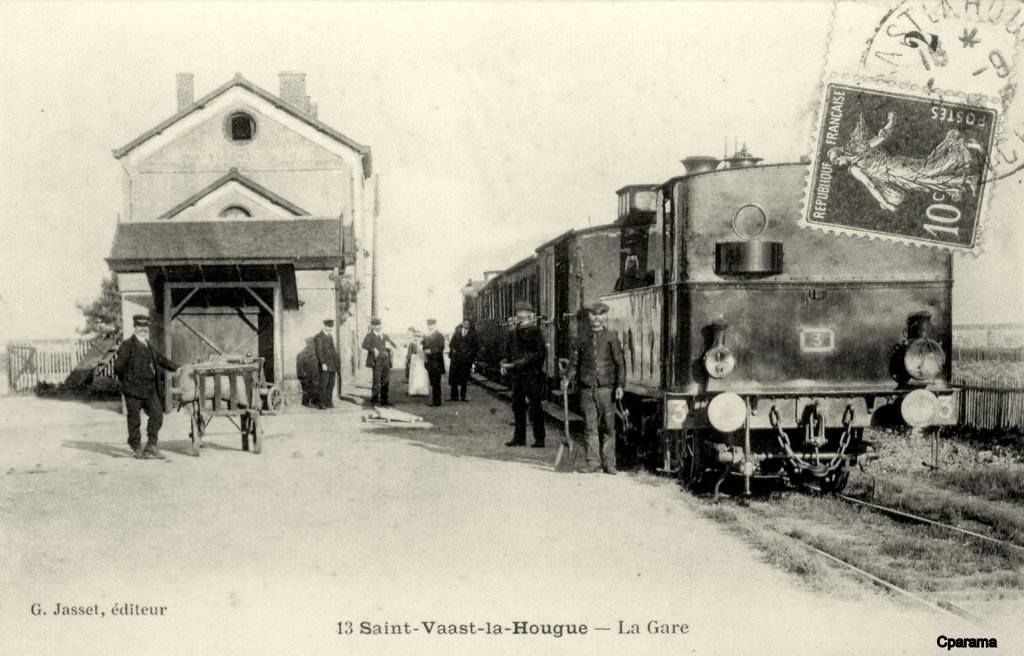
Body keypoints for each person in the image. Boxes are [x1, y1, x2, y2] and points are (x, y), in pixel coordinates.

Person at [562, 302, 625, 474]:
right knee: (590, 426)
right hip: (587, 388)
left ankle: (609, 463)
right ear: (589, 316)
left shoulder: (612, 338)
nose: (597, 318)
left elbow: (620, 363)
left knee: (608, 427)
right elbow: (574, 363)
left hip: (606, 389)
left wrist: (620, 385)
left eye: (600, 315)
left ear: (605, 316)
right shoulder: (581, 339)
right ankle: (593, 462)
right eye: (593, 314)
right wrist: (567, 378)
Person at [113, 314, 181, 459]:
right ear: (135, 327)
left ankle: (151, 445)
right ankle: (136, 447)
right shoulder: (127, 345)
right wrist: (127, 382)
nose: (143, 329)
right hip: (133, 390)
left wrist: (177, 367)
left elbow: (161, 359)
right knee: (134, 420)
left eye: (145, 327)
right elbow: (118, 367)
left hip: (150, 389)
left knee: (157, 415)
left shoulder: (148, 345)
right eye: (140, 326)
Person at [500, 301, 547, 448]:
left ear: (529, 314)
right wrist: (504, 362)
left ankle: (539, 439)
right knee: (517, 405)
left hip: (531, 374)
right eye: (518, 311)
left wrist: (519, 363)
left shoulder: (535, 332)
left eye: (524, 312)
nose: (520, 314)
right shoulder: (513, 332)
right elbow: (508, 351)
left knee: (535, 406)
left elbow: (540, 353)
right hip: (517, 375)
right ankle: (519, 438)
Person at [362, 318, 397, 406]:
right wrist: (373, 349)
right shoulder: (369, 335)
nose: (379, 327)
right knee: (376, 380)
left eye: (379, 325)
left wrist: (392, 345)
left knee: (386, 380)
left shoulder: (385, 335)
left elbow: (393, 345)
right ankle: (374, 400)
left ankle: (384, 400)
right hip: (376, 360)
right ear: (372, 326)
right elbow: (364, 345)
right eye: (376, 325)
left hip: (386, 360)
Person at [448, 318, 478, 402]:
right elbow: (451, 344)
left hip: (466, 360)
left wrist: (470, 353)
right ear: (462, 323)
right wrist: (453, 350)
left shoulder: (473, 334)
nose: (466, 325)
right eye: (465, 323)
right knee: (454, 377)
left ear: (469, 325)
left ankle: (463, 396)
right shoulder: (457, 332)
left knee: (464, 378)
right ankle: (454, 396)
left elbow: (476, 346)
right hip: (456, 359)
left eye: (468, 324)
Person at [313, 319, 341, 409]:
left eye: (331, 327)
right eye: (329, 327)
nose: (330, 329)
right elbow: (319, 351)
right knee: (323, 384)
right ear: (324, 326)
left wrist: (336, 363)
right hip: (325, 364)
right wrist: (322, 363)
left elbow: (333, 350)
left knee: (331, 384)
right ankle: (322, 403)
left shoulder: (330, 336)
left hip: (332, 364)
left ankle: (329, 402)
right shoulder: (318, 337)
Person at [422, 319, 446, 406]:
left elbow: (441, 347)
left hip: (437, 362)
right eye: (428, 325)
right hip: (430, 362)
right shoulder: (427, 335)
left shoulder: (439, 335)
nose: (430, 327)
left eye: (431, 325)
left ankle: (437, 401)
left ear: (435, 325)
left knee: (436, 382)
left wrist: (431, 351)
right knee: (432, 382)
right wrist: (424, 349)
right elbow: (424, 346)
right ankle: (435, 400)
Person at [406, 328, 430, 397]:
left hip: (421, 360)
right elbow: (409, 354)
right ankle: (414, 390)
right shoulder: (412, 344)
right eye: (416, 336)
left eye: (418, 336)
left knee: (422, 374)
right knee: (414, 375)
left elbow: (426, 351)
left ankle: (422, 390)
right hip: (414, 360)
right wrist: (409, 360)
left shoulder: (423, 343)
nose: (417, 338)